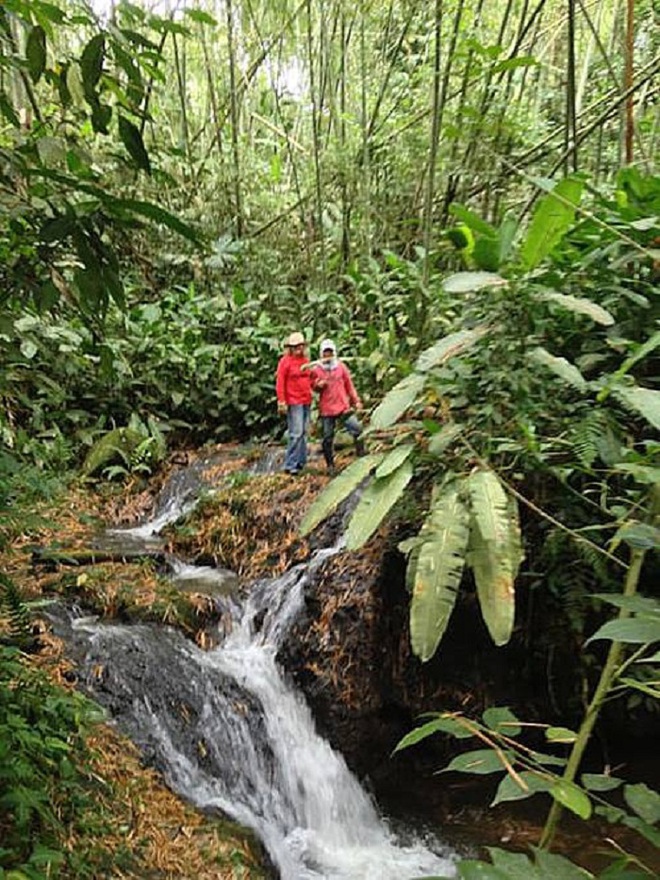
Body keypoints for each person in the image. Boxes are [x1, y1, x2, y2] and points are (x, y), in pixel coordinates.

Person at [310, 339, 365, 475]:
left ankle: (361, 456)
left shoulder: (341, 367)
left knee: (357, 429)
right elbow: (312, 385)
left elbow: (349, 386)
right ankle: (330, 465)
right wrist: (318, 385)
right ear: (321, 354)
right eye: (325, 353)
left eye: (330, 353)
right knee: (327, 437)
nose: (327, 356)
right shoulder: (317, 369)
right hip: (327, 409)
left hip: (343, 407)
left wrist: (356, 401)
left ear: (334, 353)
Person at [275, 331, 312, 474]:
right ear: (290, 348)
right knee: (295, 432)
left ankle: (301, 462)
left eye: (300, 346)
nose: (299, 349)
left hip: (306, 400)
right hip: (294, 400)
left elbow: (311, 378)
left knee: (303, 432)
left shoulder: (306, 361)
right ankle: (290, 464)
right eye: (296, 346)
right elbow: (280, 382)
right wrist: (282, 401)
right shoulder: (285, 362)